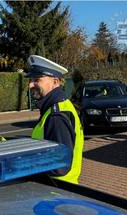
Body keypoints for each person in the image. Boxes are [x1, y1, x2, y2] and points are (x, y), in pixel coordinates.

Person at [26, 55, 84, 184]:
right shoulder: (58, 106)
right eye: (30, 80)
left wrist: (23, 159)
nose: (30, 85)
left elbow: (60, 166)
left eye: (37, 80)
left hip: (55, 191)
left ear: (55, 82)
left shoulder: (56, 116)